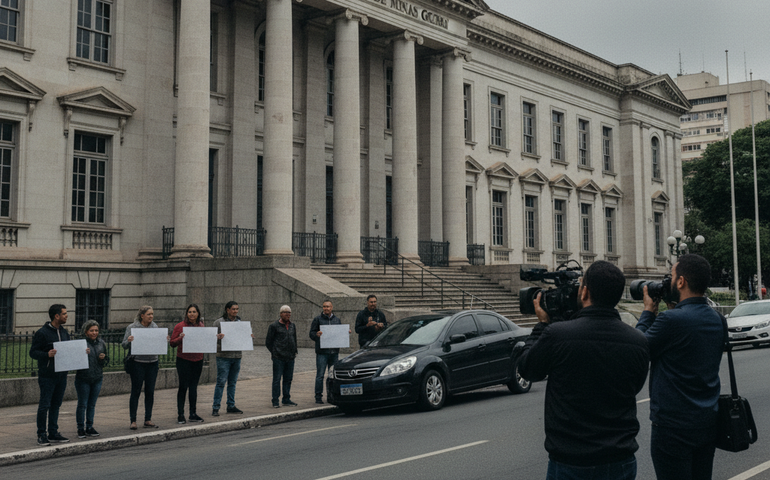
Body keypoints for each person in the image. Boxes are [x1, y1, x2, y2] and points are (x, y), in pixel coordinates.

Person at [518, 261, 649, 480]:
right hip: (620, 460)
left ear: (585, 291)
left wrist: (541, 326)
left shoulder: (557, 335)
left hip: (572, 462)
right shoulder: (639, 341)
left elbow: (528, 369)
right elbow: (634, 387)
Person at [636, 254, 724, 480]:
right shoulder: (717, 319)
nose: (669, 282)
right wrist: (674, 306)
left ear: (682, 281)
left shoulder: (671, 321)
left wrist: (647, 313)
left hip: (673, 428)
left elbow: (637, 349)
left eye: (672, 277)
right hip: (707, 421)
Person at [29, 304, 73, 446]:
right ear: (56, 316)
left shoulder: (65, 332)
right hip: (47, 375)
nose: (67, 316)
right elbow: (33, 352)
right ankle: (41, 434)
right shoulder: (42, 333)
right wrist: (47, 355)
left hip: (62, 374)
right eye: (64, 314)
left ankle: (53, 432)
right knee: (45, 405)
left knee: (56, 405)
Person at [122, 305, 168, 430]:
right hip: (138, 363)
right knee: (136, 391)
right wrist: (129, 340)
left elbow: (158, 343)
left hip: (152, 363)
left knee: (150, 391)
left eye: (152, 314)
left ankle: (148, 419)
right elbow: (124, 344)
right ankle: (133, 420)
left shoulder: (155, 327)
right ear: (142, 315)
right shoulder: (132, 327)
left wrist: (165, 340)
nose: (151, 316)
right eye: (149, 314)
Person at [212, 301, 250, 416]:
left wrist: (249, 337)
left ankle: (231, 405)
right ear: (227, 310)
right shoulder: (219, 322)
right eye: (233, 309)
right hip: (223, 357)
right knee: (221, 382)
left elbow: (242, 338)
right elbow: (211, 338)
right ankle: (215, 407)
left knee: (232, 382)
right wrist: (218, 338)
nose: (236, 311)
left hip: (236, 356)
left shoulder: (240, 323)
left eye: (237, 309)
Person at [170, 304, 205, 424]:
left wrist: (214, 337)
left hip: (198, 359)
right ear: (186, 313)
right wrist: (180, 338)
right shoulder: (180, 326)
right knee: (183, 386)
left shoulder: (201, 325)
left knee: (194, 387)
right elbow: (172, 343)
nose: (192, 314)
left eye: (194, 312)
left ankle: (193, 413)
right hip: (184, 360)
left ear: (198, 313)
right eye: (189, 312)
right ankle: (180, 414)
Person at [75, 320, 109, 438]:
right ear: (86, 332)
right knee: (82, 404)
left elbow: (106, 361)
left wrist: (103, 358)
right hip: (83, 378)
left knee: (92, 404)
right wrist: (81, 354)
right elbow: (74, 362)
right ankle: (80, 428)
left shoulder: (101, 343)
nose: (94, 333)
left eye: (96, 330)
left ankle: (89, 426)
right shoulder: (81, 343)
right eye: (91, 330)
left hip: (97, 377)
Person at [309, 299, 345, 404]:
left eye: (328, 306)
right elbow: (311, 334)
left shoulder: (337, 320)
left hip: (334, 352)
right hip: (322, 352)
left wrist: (345, 333)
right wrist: (317, 335)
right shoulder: (317, 319)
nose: (326, 308)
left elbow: (339, 334)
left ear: (332, 307)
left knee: (332, 375)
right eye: (324, 306)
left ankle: (331, 395)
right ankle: (318, 396)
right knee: (320, 375)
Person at [266, 305, 298, 408]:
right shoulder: (274, 326)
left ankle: (286, 399)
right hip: (278, 358)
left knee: (288, 379)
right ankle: (275, 400)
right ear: (280, 314)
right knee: (277, 379)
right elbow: (268, 342)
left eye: (289, 312)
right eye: (285, 312)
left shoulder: (292, 325)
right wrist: (275, 352)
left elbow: (294, 339)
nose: (287, 314)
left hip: (290, 357)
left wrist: (294, 351)